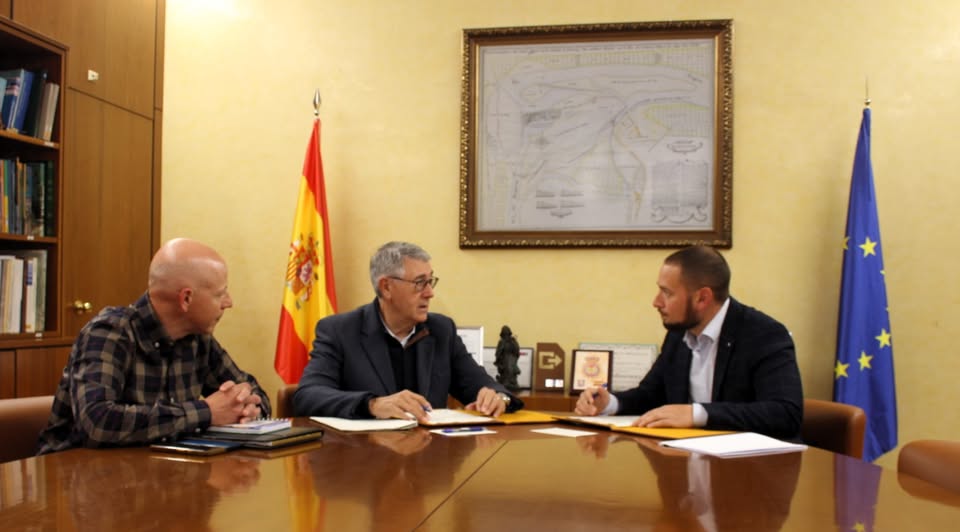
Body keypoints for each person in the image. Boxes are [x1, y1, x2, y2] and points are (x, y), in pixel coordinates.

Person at [37, 238, 270, 454]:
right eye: (220, 294)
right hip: (76, 473)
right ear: (186, 299)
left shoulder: (198, 338)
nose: (229, 303)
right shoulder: (109, 333)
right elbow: (97, 422)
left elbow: (255, 395)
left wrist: (246, 408)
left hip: (156, 471)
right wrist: (206, 412)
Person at [574, 245, 803, 440]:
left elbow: (785, 413)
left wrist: (697, 414)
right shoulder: (678, 334)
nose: (656, 302)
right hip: (687, 462)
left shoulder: (765, 334)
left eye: (667, 293)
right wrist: (611, 403)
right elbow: (651, 395)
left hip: (752, 469)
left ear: (702, 298)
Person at [293, 241, 523, 420]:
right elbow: (308, 396)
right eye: (420, 283)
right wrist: (372, 404)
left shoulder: (442, 330)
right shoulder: (340, 331)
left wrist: (498, 398)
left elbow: (483, 385)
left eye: (430, 281)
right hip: (364, 459)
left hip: (429, 459)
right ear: (386, 287)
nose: (430, 293)